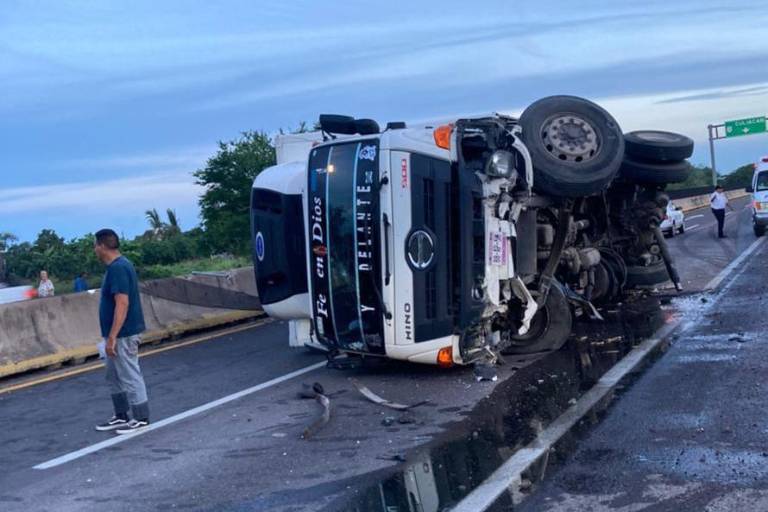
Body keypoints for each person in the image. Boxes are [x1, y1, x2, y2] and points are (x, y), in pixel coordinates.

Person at [93, 229, 150, 434]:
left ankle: (141, 417)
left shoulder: (118, 268)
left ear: (101, 246)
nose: (94, 250)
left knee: (129, 374)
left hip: (123, 334)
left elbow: (122, 303)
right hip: (114, 334)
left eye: (95, 246)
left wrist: (113, 336)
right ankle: (121, 414)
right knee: (114, 375)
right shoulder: (114, 267)